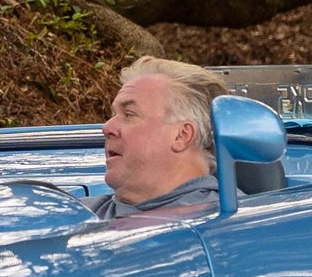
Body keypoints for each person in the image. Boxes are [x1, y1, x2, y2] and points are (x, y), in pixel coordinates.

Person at [89, 56, 225, 219]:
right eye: (112, 115)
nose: (107, 128)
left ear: (181, 136)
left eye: (129, 114)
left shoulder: (236, 226)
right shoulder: (71, 215)